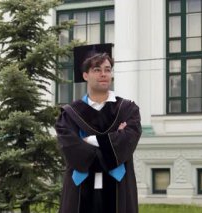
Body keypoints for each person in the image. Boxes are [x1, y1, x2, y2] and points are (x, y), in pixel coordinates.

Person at [55, 45, 142, 213]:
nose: (103, 74)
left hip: (118, 185)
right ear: (85, 75)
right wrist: (114, 137)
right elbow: (72, 151)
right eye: (97, 69)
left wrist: (89, 140)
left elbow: (127, 144)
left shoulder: (127, 110)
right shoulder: (70, 113)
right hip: (80, 187)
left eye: (107, 69)